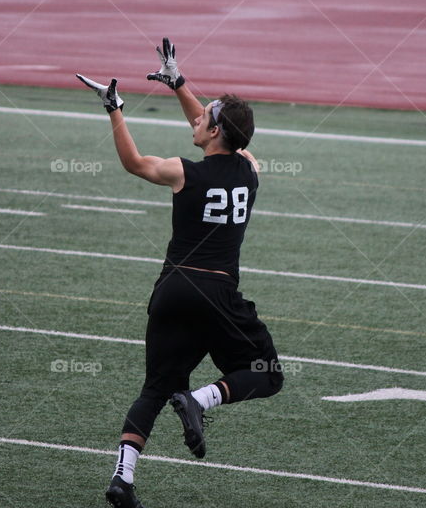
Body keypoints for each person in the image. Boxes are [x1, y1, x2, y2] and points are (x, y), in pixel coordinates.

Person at [77, 38, 284, 508]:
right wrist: (180, 85)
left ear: (214, 133)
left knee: (155, 388)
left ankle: (123, 478)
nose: (196, 118)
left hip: (173, 290)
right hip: (217, 292)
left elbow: (132, 163)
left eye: (203, 118)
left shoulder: (180, 172)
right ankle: (202, 400)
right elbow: (222, 129)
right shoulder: (250, 169)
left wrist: (114, 108)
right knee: (267, 373)